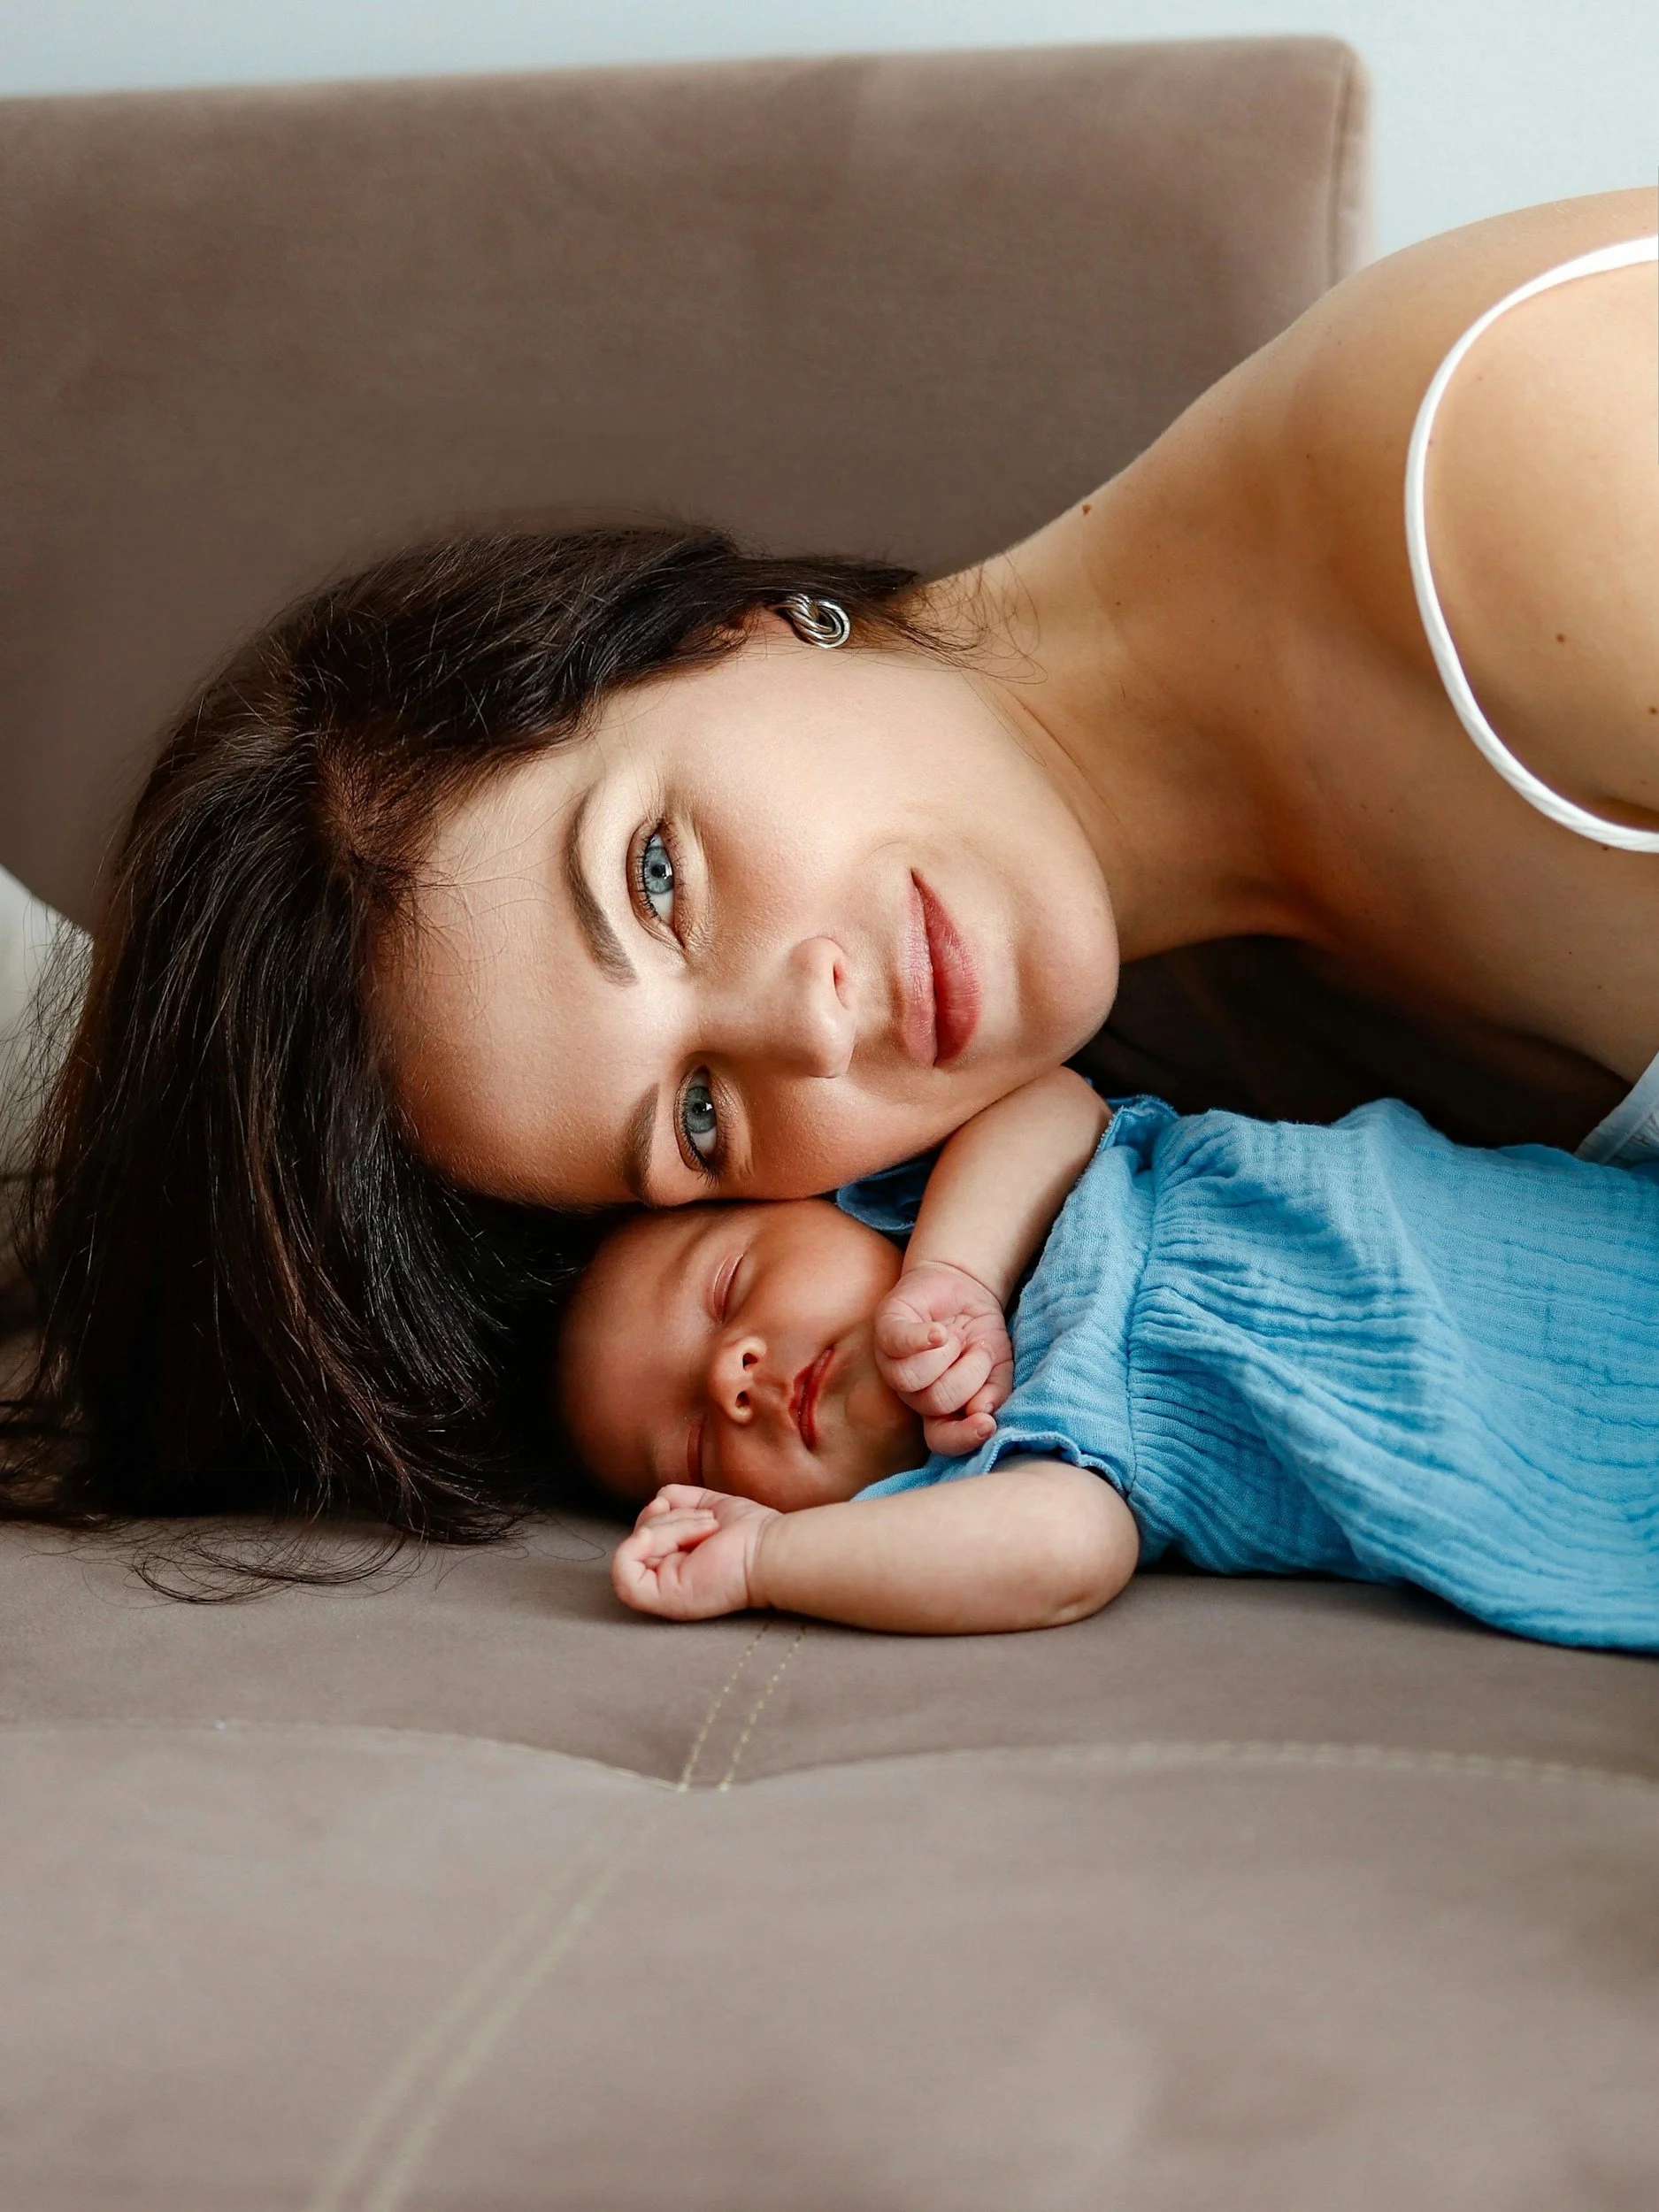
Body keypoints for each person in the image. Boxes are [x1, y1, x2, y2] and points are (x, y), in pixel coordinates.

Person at [4, 191, 1655, 1557]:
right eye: (701, 1119)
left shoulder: (1529, 499)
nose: (807, 1033)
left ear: (705, 631)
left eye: (654, 877)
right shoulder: (1142, 1088)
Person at [557, 1070, 1659, 1650]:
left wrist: (958, 1273)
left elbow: (1056, 1099)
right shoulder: (1008, 1463)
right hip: (1554, 1436)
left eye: (727, 1289)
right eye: (697, 1438)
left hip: (1568, 1236)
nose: (730, 1376)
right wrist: (769, 1560)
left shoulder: (948, 1199)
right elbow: (1063, 1552)